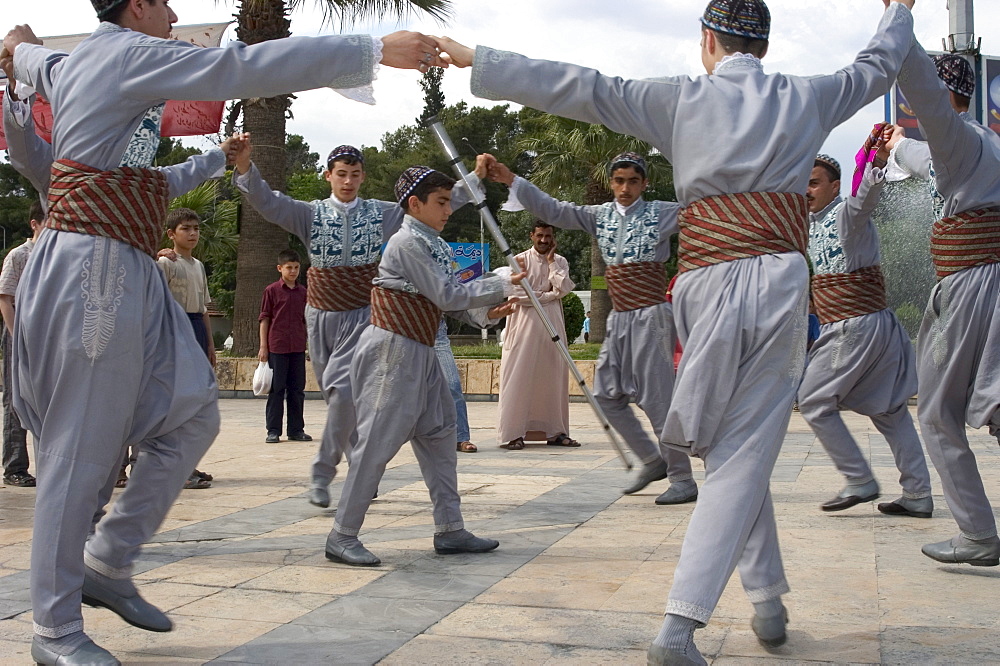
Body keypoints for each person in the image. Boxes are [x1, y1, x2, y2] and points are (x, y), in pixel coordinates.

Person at [435, 0, 916, 661]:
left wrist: (473, 58)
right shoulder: (810, 95)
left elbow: (582, 87)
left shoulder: (679, 100)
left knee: (731, 447)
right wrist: (900, 10)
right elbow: (878, 63)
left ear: (706, 42)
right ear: (764, 47)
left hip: (702, 287)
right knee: (741, 446)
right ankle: (682, 623)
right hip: (772, 282)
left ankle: (767, 596)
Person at [2, 1, 448, 661]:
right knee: (81, 448)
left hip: (125, 264)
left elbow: (29, 55)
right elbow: (239, 65)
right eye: (166, 2)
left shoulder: (76, 64)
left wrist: (19, 49)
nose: (177, 11)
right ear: (139, 6)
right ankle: (56, 628)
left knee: (190, 418)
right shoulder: (123, 52)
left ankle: (108, 559)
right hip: (90, 267)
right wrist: (372, 49)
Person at [233, 139, 487, 506]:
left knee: (346, 397)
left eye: (354, 175)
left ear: (363, 177)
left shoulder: (381, 213)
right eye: (341, 175)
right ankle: (356, 470)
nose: (348, 182)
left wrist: (475, 178)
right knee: (339, 397)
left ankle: (328, 473)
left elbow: (433, 201)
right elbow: (269, 202)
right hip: (321, 318)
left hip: (365, 317)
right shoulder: (310, 214)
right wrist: (245, 168)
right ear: (328, 176)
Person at [325, 166, 522, 566]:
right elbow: (447, 294)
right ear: (414, 204)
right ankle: (342, 534)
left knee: (439, 436)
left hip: (424, 350)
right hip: (392, 355)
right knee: (377, 442)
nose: (449, 209)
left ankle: (450, 528)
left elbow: (449, 306)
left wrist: (489, 313)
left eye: (450, 200)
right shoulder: (405, 243)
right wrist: (502, 280)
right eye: (441, 202)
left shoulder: (437, 246)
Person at [482, 152, 697, 504]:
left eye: (632, 181)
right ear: (611, 183)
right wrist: (510, 179)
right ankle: (651, 459)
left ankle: (682, 477)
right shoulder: (600, 216)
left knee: (658, 400)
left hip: (652, 316)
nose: (625, 188)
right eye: (618, 180)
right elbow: (554, 209)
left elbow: (704, 213)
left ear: (644, 183)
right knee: (606, 395)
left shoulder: (661, 212)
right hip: (620, 318)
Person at [890, 50, 1000, 567]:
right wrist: (894, 144)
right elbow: (919, 157)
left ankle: (978, 533)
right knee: (994, 405)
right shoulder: (979, 142)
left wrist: (900, 29)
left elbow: (928, 140)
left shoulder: (957, 138)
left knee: (935, 412)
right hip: (984, 282)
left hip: (971, 284)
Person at [798, 151, 932, 517]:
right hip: (871, 324)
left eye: (813, 183)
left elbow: (864, 197)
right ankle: (918, 494)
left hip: (854, 325)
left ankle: (859, 479)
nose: (806, 190)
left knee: (811, 400)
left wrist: (873, 163)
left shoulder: (846, 214)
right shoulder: (810, 224)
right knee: (890, 410)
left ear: (834, 186)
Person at [496, 222, 577, 450]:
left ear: (553, 238)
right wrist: (549, 295)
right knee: (518, 376)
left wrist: (551, 264)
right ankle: (513, 434)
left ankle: (555, 432)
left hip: (552, 322)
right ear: (532, 235)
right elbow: (518, 294)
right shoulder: (519, 260)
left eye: (548, 236)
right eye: (539, 236)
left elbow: (563, 288)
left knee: (553, 377)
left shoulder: (560, 261)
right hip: (524, 323)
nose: (543, 240)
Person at [157, 207, 221, 490]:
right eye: (186, 228)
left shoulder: (198, 266)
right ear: (172, 233)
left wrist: (209, 343)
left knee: (194, 402)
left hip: (195, 327)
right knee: (176, 402)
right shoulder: (166, 263)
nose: (192, 233)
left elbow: (203, 308)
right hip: (174, 329)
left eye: (195, 228)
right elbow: (156, 302)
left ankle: (188, 463)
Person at [0, 200, 42, 488]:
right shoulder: (20, 255)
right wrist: (17, 335)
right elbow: (5, 298)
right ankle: (15, 466)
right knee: (15, 399)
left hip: (50, 334)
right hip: (20, 331)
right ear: (35, 224)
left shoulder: (58, 257)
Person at [259, 249, 311, 445]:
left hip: (297, 346)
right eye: (289, 267)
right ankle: (273, 430)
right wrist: (264, 346)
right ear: (280, 268)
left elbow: (307, 320)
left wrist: (309, 345)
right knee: (277, 389)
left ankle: (296, 429)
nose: (293, 271)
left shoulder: (303, 292)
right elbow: (264, 319)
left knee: (297, 389)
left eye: (296, 267)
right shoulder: (271, 290)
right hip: (277, 346)